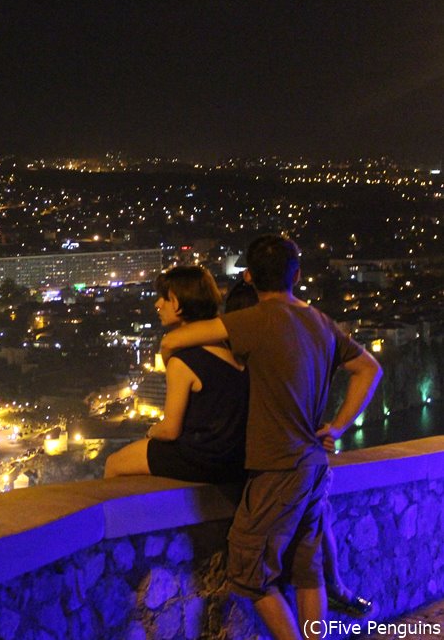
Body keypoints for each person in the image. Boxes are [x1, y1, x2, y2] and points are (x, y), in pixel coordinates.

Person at [160, 235, 382, 640]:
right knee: (308, 570)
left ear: (249, 277)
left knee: (247, 572)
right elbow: (370, 369)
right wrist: (338, 425)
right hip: (315, 468)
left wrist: (167, 352)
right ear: (296, 274)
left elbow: (177, 339)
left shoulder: (253, 321)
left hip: (277, 469)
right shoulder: (320, 322)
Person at [104, 265, 247, 483]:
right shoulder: (229, 349)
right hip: (233, 458)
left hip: (202, 458)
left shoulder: (183, 361)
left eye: (164, 298)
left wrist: (151, 431)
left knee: (114, 464)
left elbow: (170, 430)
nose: (158, 305)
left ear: (179, 302)